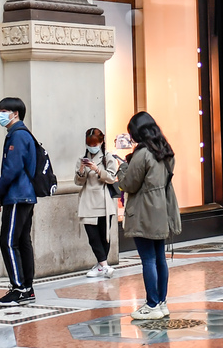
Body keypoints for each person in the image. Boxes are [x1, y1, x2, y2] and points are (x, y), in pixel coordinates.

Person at [118, 110, 182, 320]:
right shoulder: (165, 150)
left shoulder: (142, 153)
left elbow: (129, 184)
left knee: (148, 259)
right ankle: (162, 302)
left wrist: (122, 169)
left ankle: (152, 303)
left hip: (145, 211)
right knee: (159, 258)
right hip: (162, 208)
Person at [0, 97, 38, 307]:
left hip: (17, 196)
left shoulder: (18, 136)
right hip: (25, 195)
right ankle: (27, 288)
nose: (1, 115)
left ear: (15, 113)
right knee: (22, 241)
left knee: (8, 241)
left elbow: (12, 168)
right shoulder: (21, 134)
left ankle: (19, 288)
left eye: (4, 111)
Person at [75, 127, 119, 279]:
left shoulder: (108, 158)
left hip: (104, 201)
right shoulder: (82, 158)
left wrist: (97, 170)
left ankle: (101, 265)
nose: (92, 146)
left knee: (104, 236)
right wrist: (81, 169)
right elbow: (78, 182)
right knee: (92, 236)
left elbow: (112, 178)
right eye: (89, 143)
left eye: (94, 143)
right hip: (88, 201)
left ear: (101, 142)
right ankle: (105, 266)